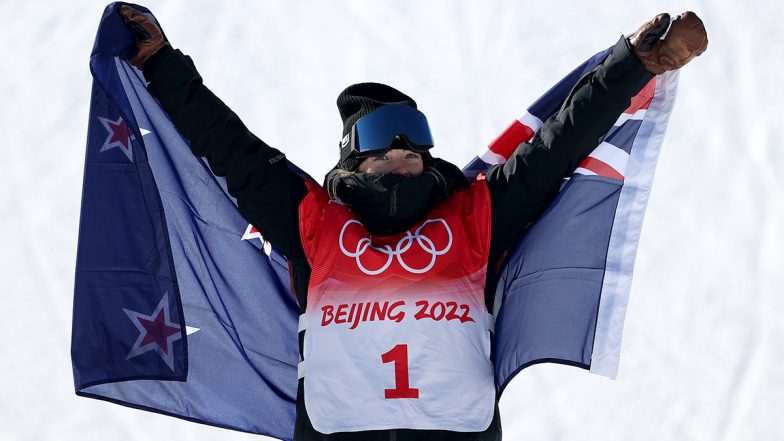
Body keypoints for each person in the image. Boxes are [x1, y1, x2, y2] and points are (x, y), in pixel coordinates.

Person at [119, 5, 707, 440]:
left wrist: (633, 65)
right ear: (352, 158)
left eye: (414, 150)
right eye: (383, 148)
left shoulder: (474, 214)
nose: (402, 159)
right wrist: (163, 67)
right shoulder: (315, 220)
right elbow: (232, 152)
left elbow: (557, 145)